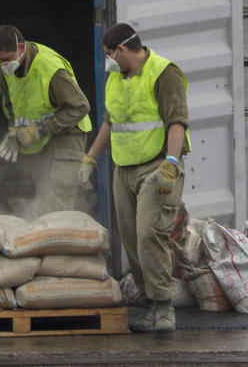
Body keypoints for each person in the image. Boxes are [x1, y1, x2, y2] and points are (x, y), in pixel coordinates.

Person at [82, 23, 190, 333]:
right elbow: (109, 123)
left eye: (109, 54)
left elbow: (177, 122)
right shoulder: (116, 77)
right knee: (131, 240)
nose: (108, 61)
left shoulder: (163, 73)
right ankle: (149, 302)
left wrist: (171, 162)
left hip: (156, 167)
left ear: (123, 50)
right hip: (124, 168)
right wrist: (91, 157)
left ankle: (163, 306)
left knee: (149, 237)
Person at [0, 24, 92, 218]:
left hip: (66, 134)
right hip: (40, 140)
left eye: (6, 59)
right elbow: (10, 103)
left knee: (57, 202)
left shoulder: (50, 68)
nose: (3, 65)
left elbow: (80, 107)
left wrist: (37, 130)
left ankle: (60, 245)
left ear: (21, 48)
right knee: (42, 198)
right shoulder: (6, 68)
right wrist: (14, 131)